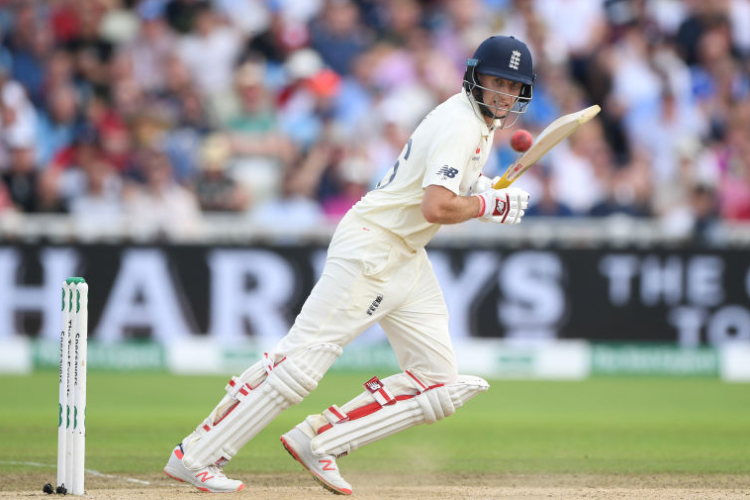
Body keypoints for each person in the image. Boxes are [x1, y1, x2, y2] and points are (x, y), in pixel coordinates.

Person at [163, 35, 534, 494]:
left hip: (405, 257)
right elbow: (436, 208)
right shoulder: (461, 123)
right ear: (475, 77)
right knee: (300, 365)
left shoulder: (477, 123)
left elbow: (446, 189)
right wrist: (489, 207)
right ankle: (195, 455)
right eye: (496, 81)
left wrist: (484, 193)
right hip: (373, 247)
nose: (503, 94)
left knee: (438, 381)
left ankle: (320, 439)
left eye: (513, 87)